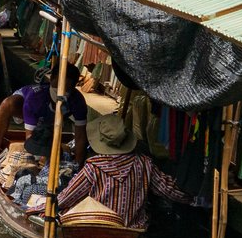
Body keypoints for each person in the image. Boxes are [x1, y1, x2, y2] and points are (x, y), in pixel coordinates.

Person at [54, 99, 193, 231]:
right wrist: (196, 197)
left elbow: (66, 198)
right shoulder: (144, 163)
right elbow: (169, 190)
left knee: (63, 211)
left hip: (99, 227)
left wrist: (40, 207)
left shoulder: (94, 167)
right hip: (133, 229)